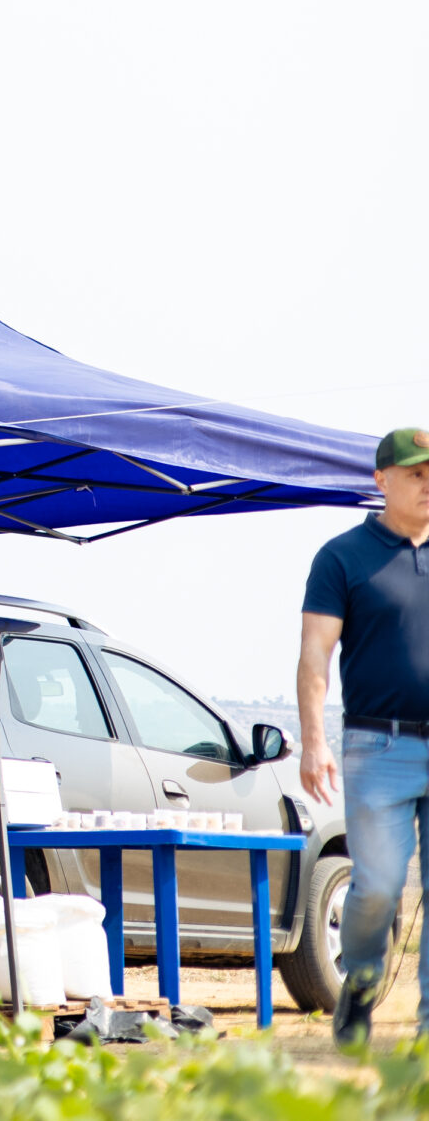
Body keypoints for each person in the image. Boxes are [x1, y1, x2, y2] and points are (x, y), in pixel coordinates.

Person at [299, 426, 429, 1047]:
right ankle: (361, 979)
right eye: (415, 474)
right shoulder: (342, 557)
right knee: (376, 887)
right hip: (377, 749)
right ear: (381, 480)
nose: (428, 485)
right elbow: (314, 655)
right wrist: (313, 740)